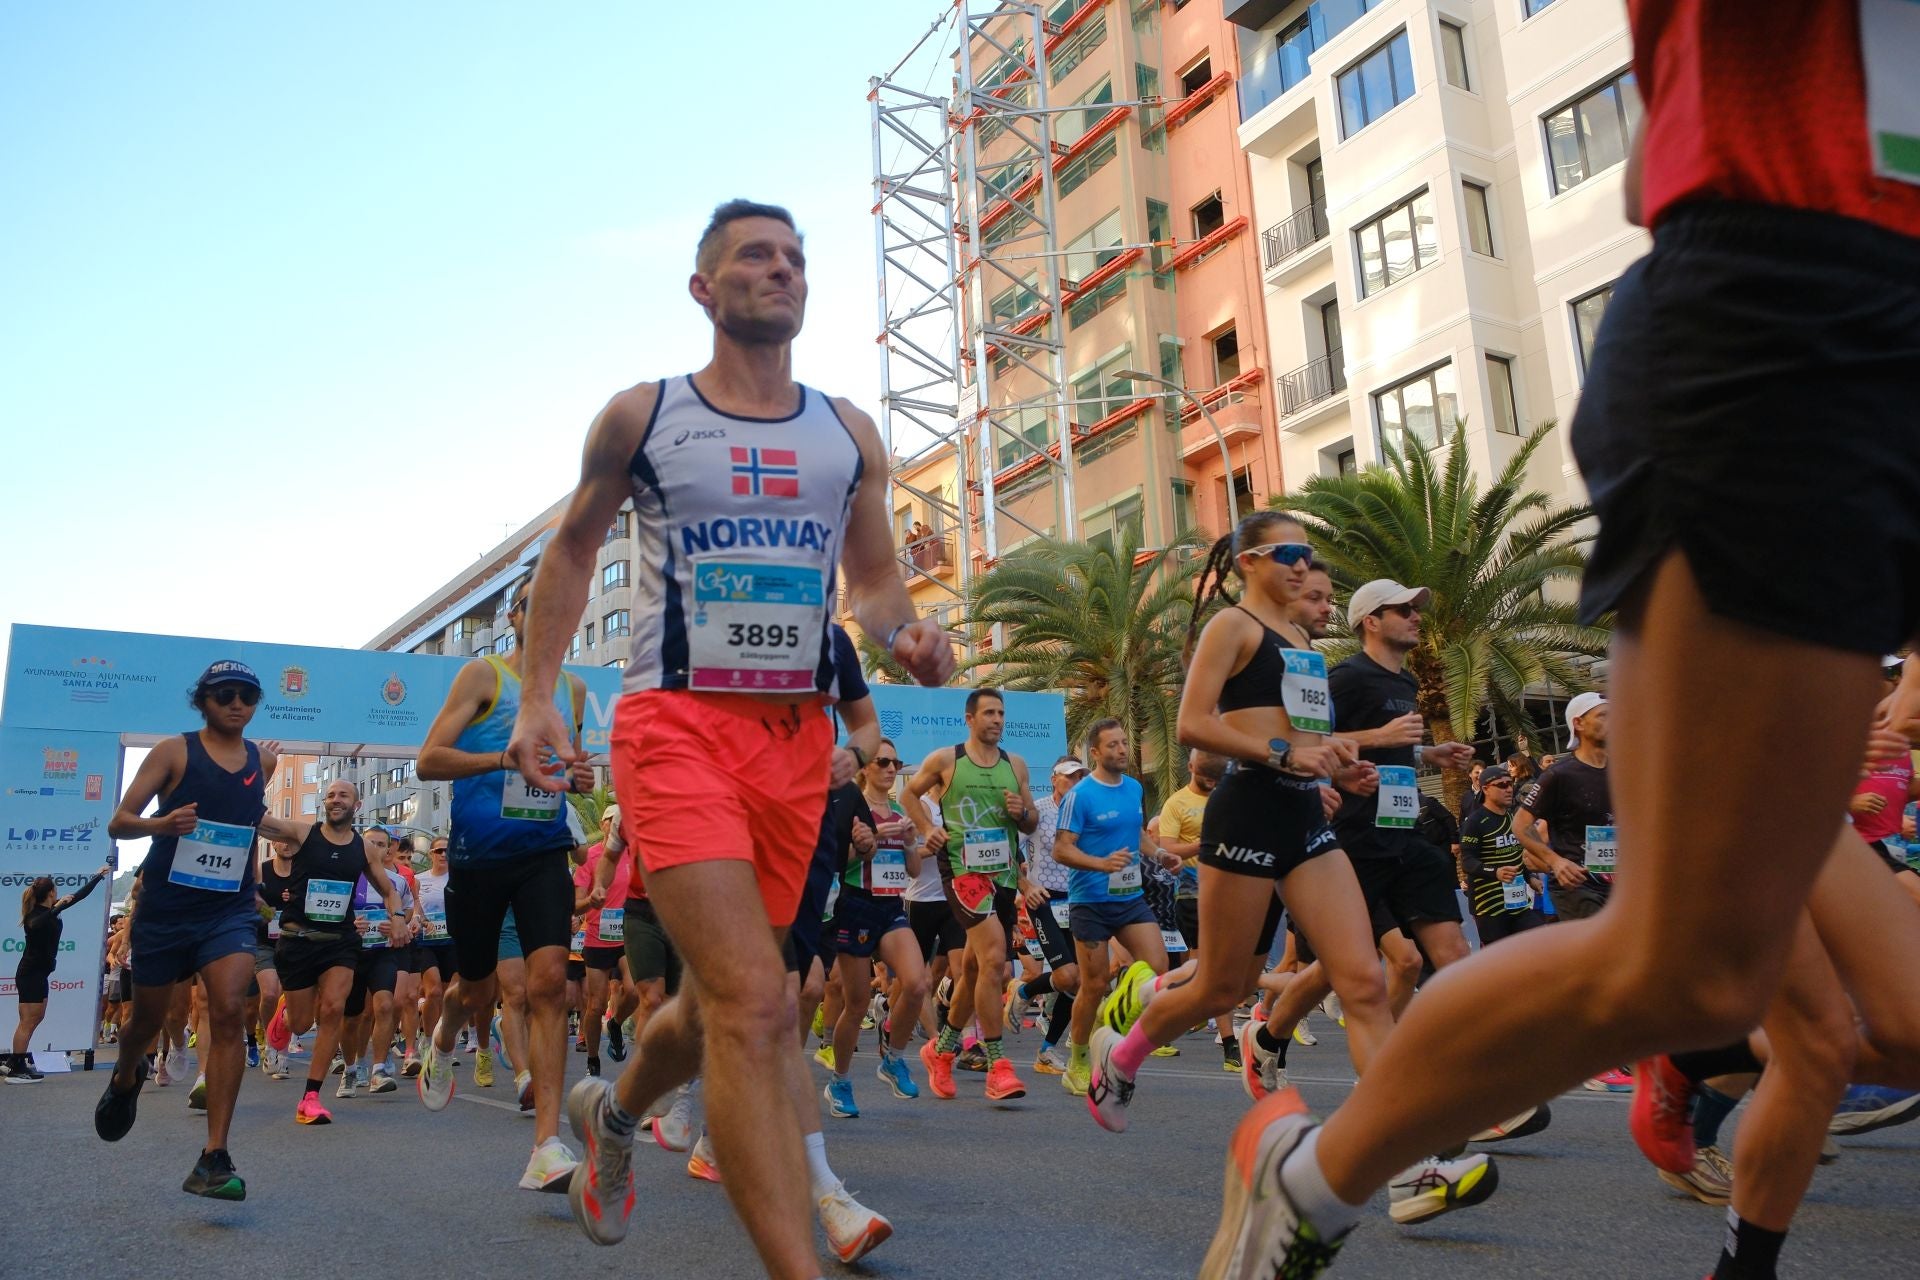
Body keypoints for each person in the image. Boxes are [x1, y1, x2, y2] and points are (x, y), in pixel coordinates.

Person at [1223, 3, 1920, 1274]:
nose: (1336, 591)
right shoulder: (1264, 641)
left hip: (1863, 319)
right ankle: (1312, 1174)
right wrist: (1322, 755)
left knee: (1879, 1021)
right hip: (1800, 308)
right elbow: (1205, 727)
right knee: (1689, 976)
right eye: (1314, 570)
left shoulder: (1381, 669)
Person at [512, 199, 951, 1274]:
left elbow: (875, 579)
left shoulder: (846, 430)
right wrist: (535, 700)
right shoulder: (644, 413)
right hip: (675, 727)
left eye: (796, 258)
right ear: (704, 289)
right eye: (755, 256)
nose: (782, 271)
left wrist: (908, 637)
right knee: (763, 999)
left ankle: (613, 1113)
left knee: (722, 1005)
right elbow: (570, 553)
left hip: (796, 742)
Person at [1090, 515, 1490, 1230]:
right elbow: (1192, 725)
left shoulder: (1305, 642)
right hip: (1246, 813)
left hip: (1307, 818)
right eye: (1295, 555)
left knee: (1364, 980)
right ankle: (1120, 1056)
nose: (1309, 570)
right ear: (1251, 561)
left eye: (1312, 557)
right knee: (1226, 983)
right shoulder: (1234, 629)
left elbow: (1309, 736)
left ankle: (1407, 1170)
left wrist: (1342, 762)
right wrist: (1283, 754)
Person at [412, 578, 594, 1191]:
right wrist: (500, 759)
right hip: (477, 857)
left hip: (543, 854)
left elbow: (569, 767)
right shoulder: (483, 678)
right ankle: (443, 1035)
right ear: (515, 618)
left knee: (547, 985)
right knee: (476, 987)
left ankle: (547, 1143)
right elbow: (428, 760)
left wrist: (580, 777)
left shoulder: (575, 689)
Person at [99, 661, 276, 1200]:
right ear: (202, 700)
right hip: (167, 909)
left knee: (226, 1008)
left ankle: (213, 1155)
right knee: (147, 1021)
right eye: (224, 694)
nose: (236, 703)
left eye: (247, 694)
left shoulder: (262, 761)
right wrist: (161, 824)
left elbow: (245, 828)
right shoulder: (174, 752)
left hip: (227, 911)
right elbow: (120, 821)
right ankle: (127, 1073)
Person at [903, 688, 1041, 1103]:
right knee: (996, 960)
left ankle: (941, 1051)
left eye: (1001, 713)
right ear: (969, 718)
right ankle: (998, 1066)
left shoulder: (1015, 764)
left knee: (979, 970)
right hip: (963, 873)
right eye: (988, 713)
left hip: (1003, 876)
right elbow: (907, 794)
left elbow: (1031, 823)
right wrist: (928, 829)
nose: (997, 720)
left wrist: (1022, 814)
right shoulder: (947, 760)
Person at [258, 779, 409, 1124]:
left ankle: (310, 1097)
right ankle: (285, 1017)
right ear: (324, 803)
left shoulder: (364, 849)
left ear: (356, 805)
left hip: (339, 941)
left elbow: (389, 891)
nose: (335, 799)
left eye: (343, 795)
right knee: (301, 1021)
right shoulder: (302, 834)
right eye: (330, 795)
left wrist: (397, 916)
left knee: (333, 1009)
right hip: (297, 939)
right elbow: (260, 820)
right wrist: (257, 780)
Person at [823, 739, 928, 1111]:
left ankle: (894, 1058)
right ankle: (840, 1081)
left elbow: (913, 870)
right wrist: (871, 841)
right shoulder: (852, 807)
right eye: (882, 761)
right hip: (855, 904)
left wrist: (911, 844)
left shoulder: (900, 810)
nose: (889, 768)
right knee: (856, 1004)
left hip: (891, 905)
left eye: (895, 763)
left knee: (917, 983)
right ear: (865, 768)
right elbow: (835, 858)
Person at [1157, 750, 1234, 1072]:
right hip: (1191, 894)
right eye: (1206, 776)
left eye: (1216, 777)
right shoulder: (1176, 803)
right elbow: (1166, 846)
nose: (1211, 782)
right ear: (1190, 767)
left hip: (1229, 891)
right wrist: (1204, 844)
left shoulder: (1229, 798)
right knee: (1209, 966)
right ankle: (1230, 1046)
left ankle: (1173, 1009)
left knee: (1218, 968)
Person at [1015, 755, 1085, 1079]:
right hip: (1043, 899)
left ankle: (1045, 1051)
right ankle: (1024, 993)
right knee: (1068, 976)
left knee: (1078, 980)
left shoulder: (1086, 811)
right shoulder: (1039, 810)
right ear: (1055, 778)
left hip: (1079, 901)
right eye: (1069, 776)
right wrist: (1025, 885)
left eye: (1080, 776)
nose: (1075, 781)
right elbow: (1008, 848)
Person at [6, 865, 110, 1082]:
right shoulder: (35, 914)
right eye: (56, 890)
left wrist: (98, 876)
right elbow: (34, 926)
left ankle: (14, 1061)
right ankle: (16, 1064)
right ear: (51, 892)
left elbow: (80, 895)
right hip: (30, 973)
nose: (59, 894)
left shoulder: (54, 908)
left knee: (37, 1016)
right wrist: (57, 908)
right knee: (28, 1019)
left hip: (40, 973)